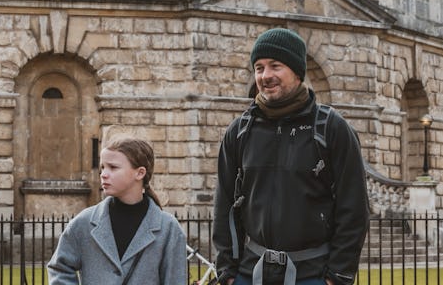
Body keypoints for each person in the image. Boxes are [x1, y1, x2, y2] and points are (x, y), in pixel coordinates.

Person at [213, 28, 369, 285]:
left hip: (313, 275)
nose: (266, 76)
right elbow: (224, 207)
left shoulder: (332, 128)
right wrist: (227, 274)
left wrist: (336, 277)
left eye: (275, 66)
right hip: (251, 273)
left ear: (297, 72)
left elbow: (354, 209)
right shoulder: (239, 132)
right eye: (259, 67)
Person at [47, 136, 187, 284]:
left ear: (140, 173)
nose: (103, 174)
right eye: (102, 167)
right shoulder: (84, 222)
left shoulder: (168, 228)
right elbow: (59, 268)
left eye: (113, 167)